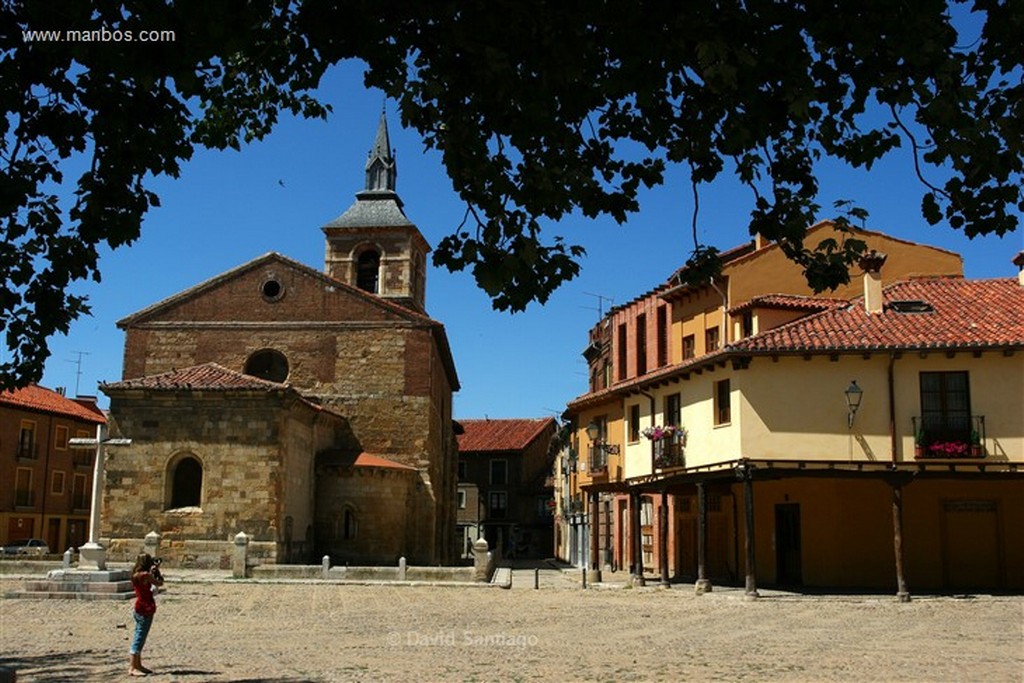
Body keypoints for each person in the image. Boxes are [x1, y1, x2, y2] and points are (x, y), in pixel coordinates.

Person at [128, 553, 164, 677]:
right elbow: (159, 583)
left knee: (140, 635)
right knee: (139, 637)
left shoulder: (135, 575)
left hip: (140, 606)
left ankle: (138, 664)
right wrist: (157, 571)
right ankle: (132, 667)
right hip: (145, 607)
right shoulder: (146, 575)